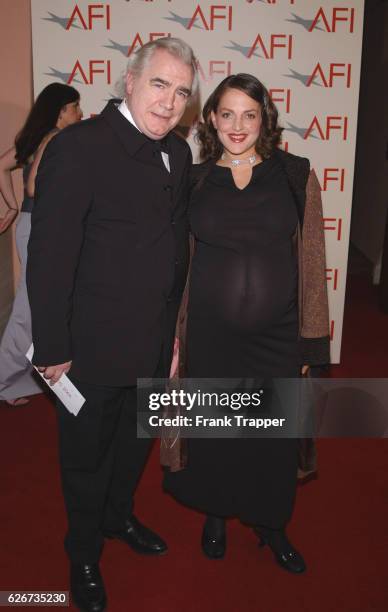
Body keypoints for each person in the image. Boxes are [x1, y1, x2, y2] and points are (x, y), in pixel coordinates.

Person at [27, 38, 196, 612]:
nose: (170, 101)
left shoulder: (180, 153)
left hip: (151, 344)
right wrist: (52, 348)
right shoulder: (79, 148)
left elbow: (174, 252)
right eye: (159, 83)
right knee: (85, 459)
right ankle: (82, 554)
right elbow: (49, 260)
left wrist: (172, 334)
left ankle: (118, 517)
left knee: (132, 448)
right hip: (88, 354)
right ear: (129, 79)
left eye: (181, 92)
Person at [163, 74, 330, 574]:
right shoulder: (192, 180)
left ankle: (271, 524)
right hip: (210, 337)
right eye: (227, 114)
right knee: (215, 432)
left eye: (249, 114)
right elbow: (173, 264)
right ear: (211, 118)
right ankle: (216, 514)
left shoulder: (295, 175)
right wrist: (169, 337)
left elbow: (313, 263)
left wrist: (310, 346)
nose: (238, 125)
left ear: (265, 119)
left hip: (277, 337)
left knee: (271, 437)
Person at [0, 83, 82, 406]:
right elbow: (34, 185)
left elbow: (3, 166)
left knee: (35, 310)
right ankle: (3, 380)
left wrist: (10, 206)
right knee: (28, 313)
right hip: (40, 229)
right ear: (62, 110)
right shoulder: (56, 138)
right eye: (75, 107)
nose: (79, 113)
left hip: (32, 226)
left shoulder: (39, 136)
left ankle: (13, 384)